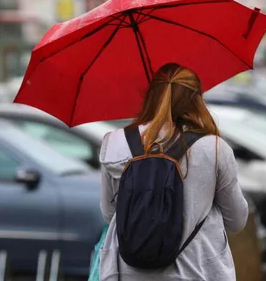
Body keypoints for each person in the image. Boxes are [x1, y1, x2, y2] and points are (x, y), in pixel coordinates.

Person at [98, 63, 249, 281]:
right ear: (197, 100)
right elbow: (236, 220)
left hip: (129, 272)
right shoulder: (214, 148)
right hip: (197, 270)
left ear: (152, 94)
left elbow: (110, 213)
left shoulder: (114, 142)